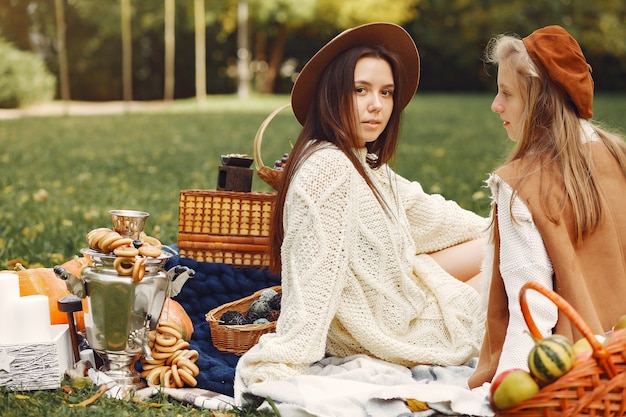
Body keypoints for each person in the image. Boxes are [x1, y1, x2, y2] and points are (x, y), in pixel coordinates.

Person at [234, 22, 488, 398]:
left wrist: (510, 224)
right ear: (333, 94)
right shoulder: (329, 169)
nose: (377, 105)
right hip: (387, 331)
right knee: (514, 267)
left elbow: (435, 217)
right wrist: (285, 360)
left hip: (401, 300)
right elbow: (314, 277)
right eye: (360, 90)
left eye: (386, 93)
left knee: (503, 239)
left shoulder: (364, 164)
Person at [468, 25, 626, 389]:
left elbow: (532, 310)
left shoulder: (520, 183)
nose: (496, 105)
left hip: (574, 369)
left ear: (540, 101)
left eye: (506, 93)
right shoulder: (617, 153)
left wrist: (511, 384)